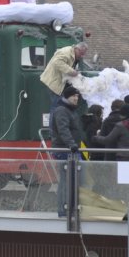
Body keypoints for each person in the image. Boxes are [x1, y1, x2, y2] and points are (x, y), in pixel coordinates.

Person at [50, 84, 86, 217]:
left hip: (72, 150)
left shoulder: (70, 110)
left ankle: (72, 208)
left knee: (76, 180)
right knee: (66, 181)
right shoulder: (62, 110)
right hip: (65, 150)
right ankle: (63, 210)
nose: (76, 98)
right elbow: (63, 129)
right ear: (67, 97)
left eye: (77, 96)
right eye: (73, 96)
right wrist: (72, 144)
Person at [40, 42, 88, 112]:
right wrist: (72, 71)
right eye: (81, 53)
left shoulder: (72, 54)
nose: (82, 56)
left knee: (59, 107)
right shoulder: (66, 52)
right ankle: (55, 119)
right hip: (55, 83)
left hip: (59, 83)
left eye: (83, 54)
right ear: (77, 49)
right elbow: (57, 62)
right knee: (57, 107)